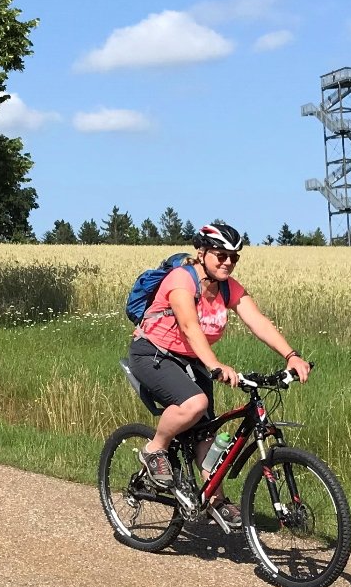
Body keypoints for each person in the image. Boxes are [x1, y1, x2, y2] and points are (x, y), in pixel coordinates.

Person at [127, 223, 311, 522]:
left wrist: (291, 355)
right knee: (195, 404)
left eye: (234, 257)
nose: (228, 262)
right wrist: (215, 364)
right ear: (202, 253)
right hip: (153, 353)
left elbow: (258, 321)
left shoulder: (228, 287)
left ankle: (216, 500)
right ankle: (154, 449)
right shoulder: (181, 279)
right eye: (221, 255)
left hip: (191, 360)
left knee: (207, 434)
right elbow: (189, 326)